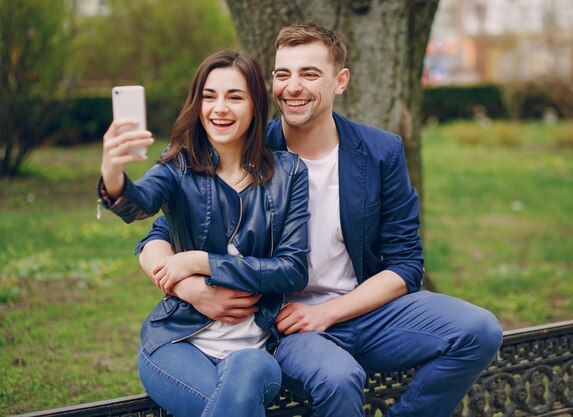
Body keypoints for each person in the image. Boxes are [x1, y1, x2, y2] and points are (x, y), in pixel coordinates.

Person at [137, 24, 503, 417]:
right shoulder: (251, 148)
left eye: (310, 74)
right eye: (283, 74)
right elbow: (163, 234)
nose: (293, 86)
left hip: (366, 310)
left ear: (339, 81)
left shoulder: (380, 152)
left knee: (480, 331)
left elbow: (407, 265)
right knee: (339, 378)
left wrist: (331, 311)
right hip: (286, 324)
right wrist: (191, 289)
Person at [98, 50, 310, 417]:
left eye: (234, 97)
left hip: (255, 352)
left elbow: (292, 270)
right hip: (176, 344)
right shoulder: (178, 165)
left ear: (256, 106)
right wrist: (113, 174)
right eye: (209, 96)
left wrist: (201, 262)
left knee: (247, 375)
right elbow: (139, 203)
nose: (219, 108)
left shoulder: (289, 173)